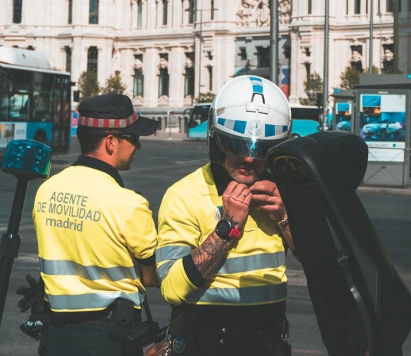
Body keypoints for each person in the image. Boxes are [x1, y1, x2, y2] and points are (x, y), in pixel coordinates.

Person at [156, 76, 295, 356]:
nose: (249, 159)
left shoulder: (283, 194)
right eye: (239, 146)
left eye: (263, 150)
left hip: (268, 341)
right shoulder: (184, 194)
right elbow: (172, 288)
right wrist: (227, 228)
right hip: (205, 342)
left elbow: (320, 261)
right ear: (216, 140)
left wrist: (285, 217)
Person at [30, 94, 159, 355]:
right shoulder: (129, 204)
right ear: (111, 142)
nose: (138, 146)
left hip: (54, 336)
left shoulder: (46, 190)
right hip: (109, 340)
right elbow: (152, 276)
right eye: (133, 138)